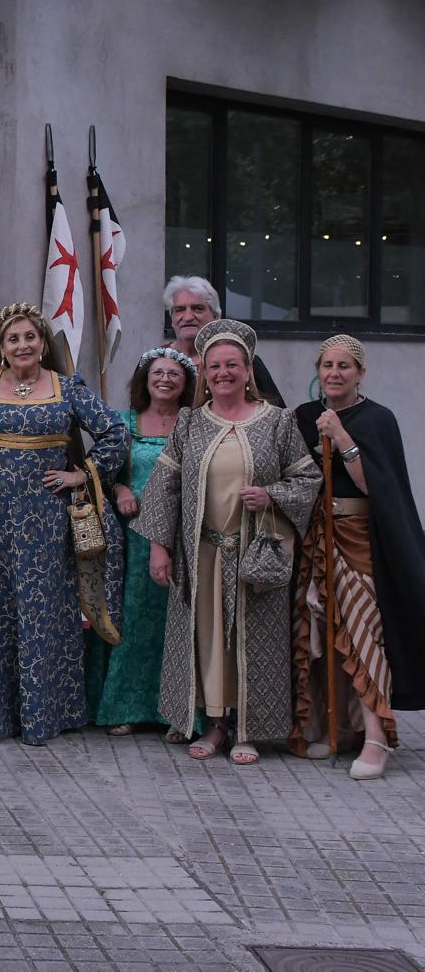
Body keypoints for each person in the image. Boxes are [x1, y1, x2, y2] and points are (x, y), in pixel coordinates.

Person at [135, 319, 320, 765]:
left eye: (232, 364)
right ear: (206, 372)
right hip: (202, 554)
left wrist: (271, 494)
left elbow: (308, 478)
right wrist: (159, 546)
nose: (223, 372)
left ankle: (248, 730)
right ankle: (215, 725)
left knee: (252, 640)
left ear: (247, 369)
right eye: (215, 365)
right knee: (210, 641)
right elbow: (164, 486)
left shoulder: (277, 421)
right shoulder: (192, 423)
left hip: (256, 554)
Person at [0, 303, 129, 746]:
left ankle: (44, 716)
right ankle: (3, 717)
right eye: (13, 339)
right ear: (1, 346)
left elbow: (115, 433)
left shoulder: (68, 389)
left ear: (42, 342)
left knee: (43, 613)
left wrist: (82, 474)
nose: (23, 345)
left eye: (30, 337)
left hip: (46, 521)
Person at [288, 335, 425, 780]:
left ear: (360, 373)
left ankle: (376, 737)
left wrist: (342, 438)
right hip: (316, 538)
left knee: (364, 629)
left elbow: (376, 486)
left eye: (344, 366)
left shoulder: (377, 419)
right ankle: (338, 727)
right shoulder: (304, 417)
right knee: (324, 635)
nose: (334, 373)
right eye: (327, 364)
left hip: (360, 537)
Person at [85, 347, 196, 738]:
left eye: (174, 374)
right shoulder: (122, 422)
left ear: (186, 384)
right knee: (130, 618)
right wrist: (119, 490)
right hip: (130, 538)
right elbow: (99, 471)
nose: (165, 379)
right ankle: (123, 707)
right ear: (145, 380)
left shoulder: (195, 423)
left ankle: (178, 714)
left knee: (178, 623)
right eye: (157, 373)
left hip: (183, 537)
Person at [163, 275, 283, 407]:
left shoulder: (245, 360)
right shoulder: (156, 359)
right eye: (179, 310)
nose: (188, 317)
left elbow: (278, 413)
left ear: (215, 316)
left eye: (198, 308)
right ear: (172, 318)